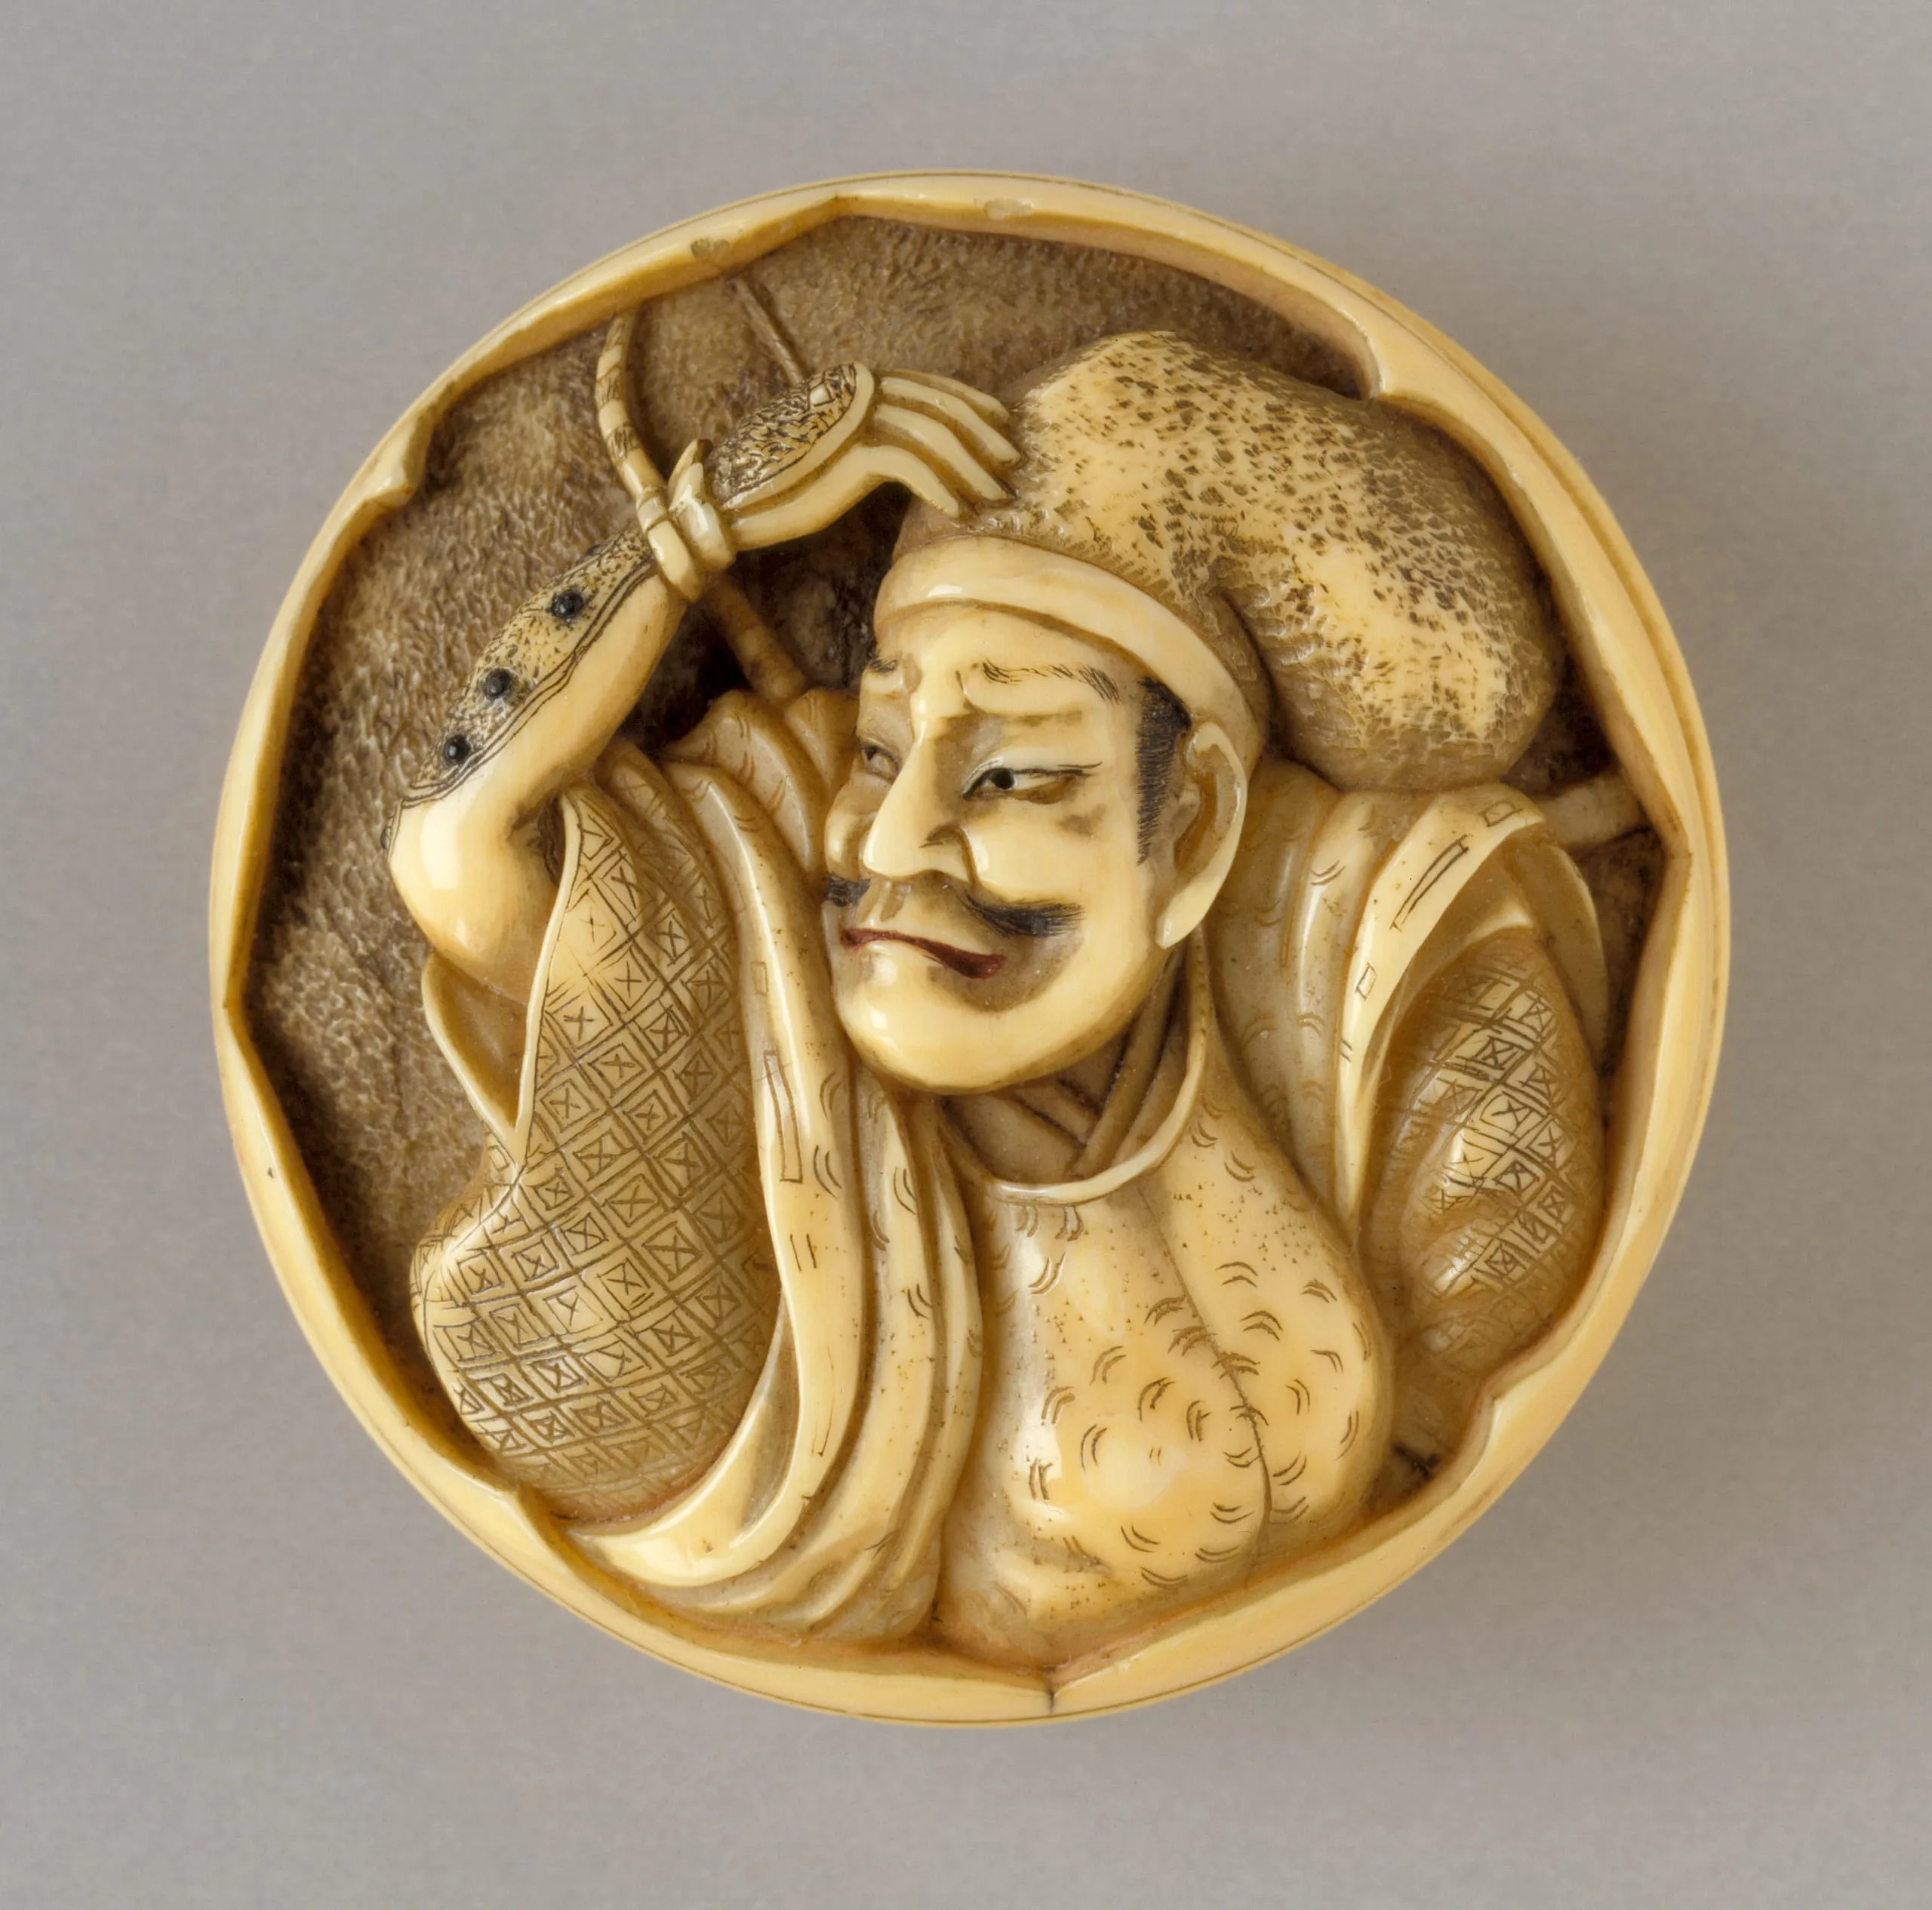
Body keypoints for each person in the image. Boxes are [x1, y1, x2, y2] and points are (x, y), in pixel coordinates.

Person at [388, 329, 1609, 1669]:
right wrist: (696, 527)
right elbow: (458, 844)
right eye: (877, 750)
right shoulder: (756, 953)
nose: (892, 838)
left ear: (1197, 827)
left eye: (1011, 777)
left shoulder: (1329, 939)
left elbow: (1478, 1341)